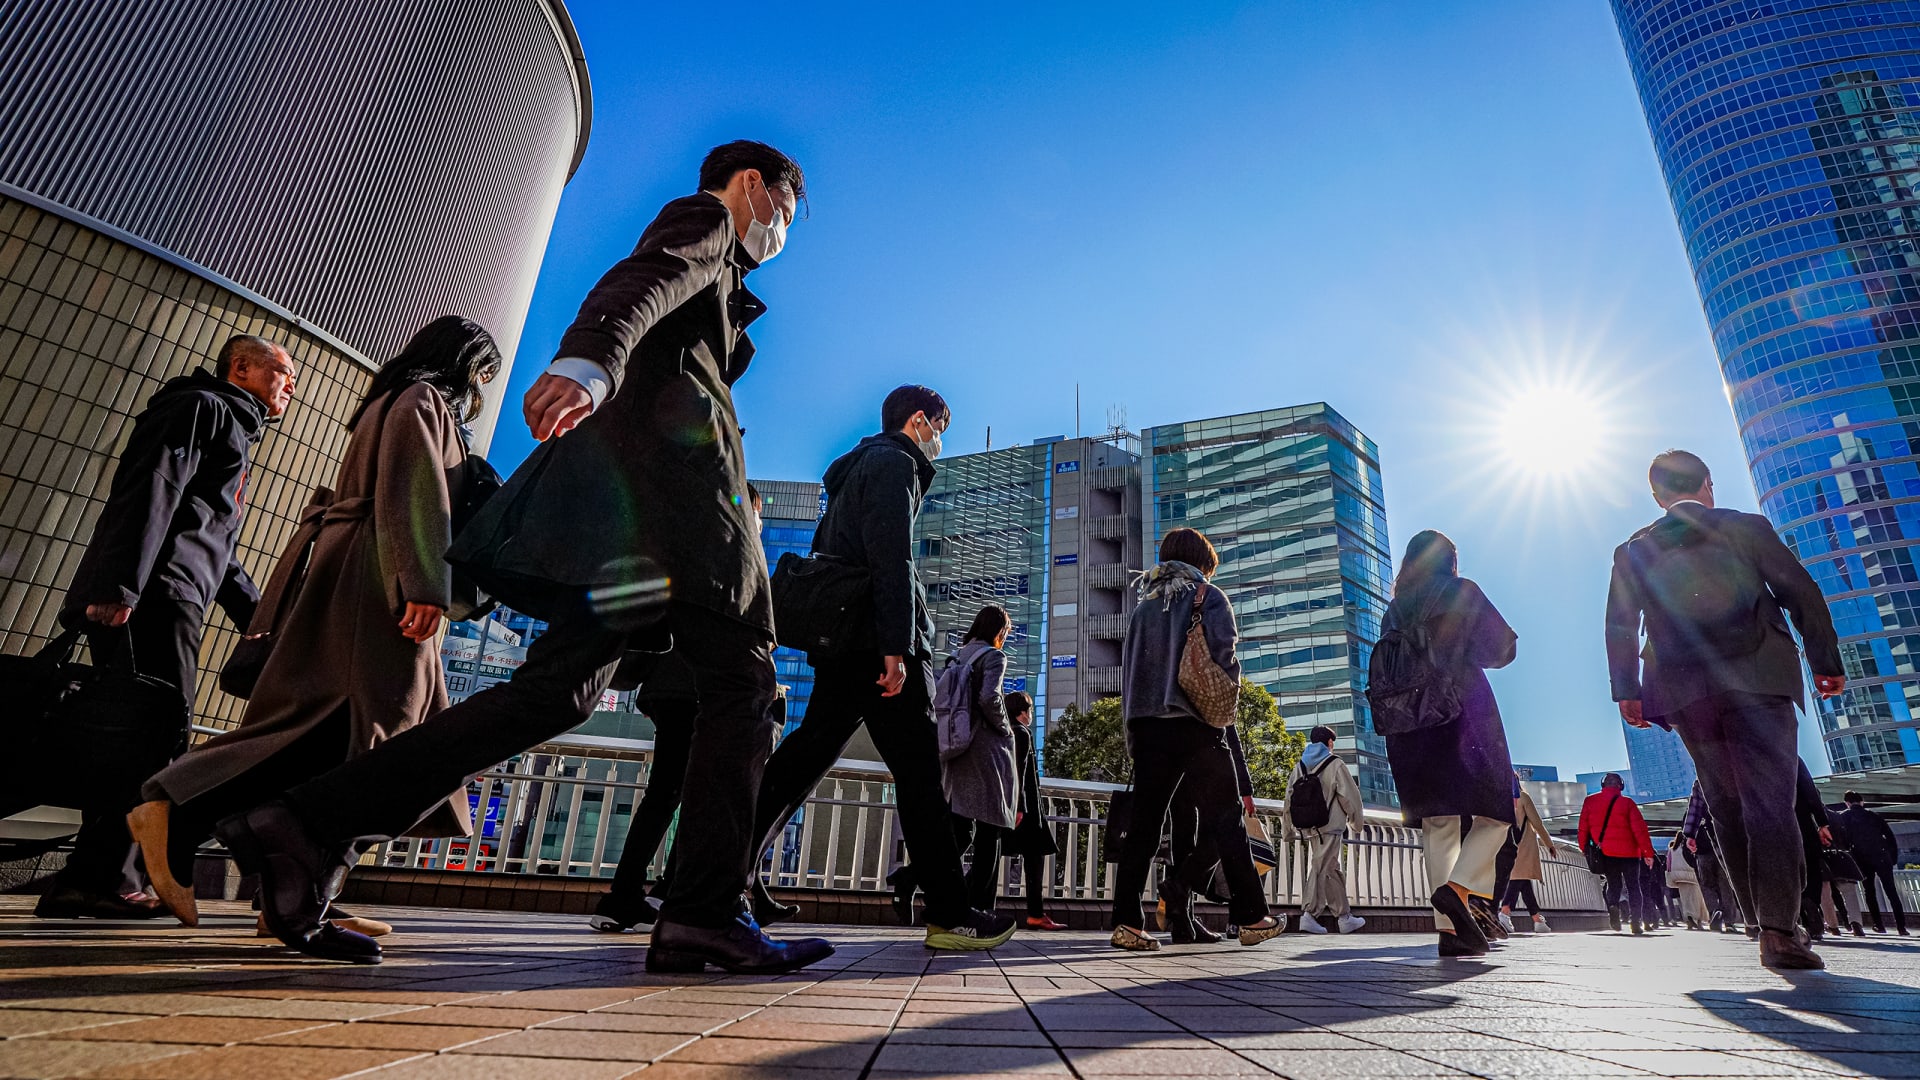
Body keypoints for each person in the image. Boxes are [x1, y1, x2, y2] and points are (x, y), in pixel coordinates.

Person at [211, 141, 836, 973]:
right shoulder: (710, 219)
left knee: (555, 694)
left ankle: (305, 821)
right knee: (746, 683)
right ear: (753, 186)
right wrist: (588, 363)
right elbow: (641, 281)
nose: (783, 234)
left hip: (625, 536)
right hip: (679, 518)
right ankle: (702, 914)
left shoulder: (725, 275)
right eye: (787, 214)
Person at [127, 319, 496, 937]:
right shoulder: (422, 401)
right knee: (357, 732)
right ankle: (180, 809)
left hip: (366, 571)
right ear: (463, 363)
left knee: (341, 733)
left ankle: (295, 887)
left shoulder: (388, 401)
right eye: (482, 369)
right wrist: (425, 586)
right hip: (377, 581)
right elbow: (416, 490)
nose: (483, 383)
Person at [35, 336, 297, 920]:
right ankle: (100, 879)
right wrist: (117, 588)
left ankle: (95, 877)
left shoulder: (231, 426)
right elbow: (151, 487)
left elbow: (216, 547)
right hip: (151, 597)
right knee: (148, 738)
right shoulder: (199, 407)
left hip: (170, 595)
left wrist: (262, 620)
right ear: (242, 368)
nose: (291, 386)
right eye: (281, 372)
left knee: (141, 740)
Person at [750, 386, 1017, 953]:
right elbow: (891, 559)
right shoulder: (895, 464)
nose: (940, 442)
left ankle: (715, 877)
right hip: (876, 644)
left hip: (845, 638)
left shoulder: (852, 471)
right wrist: (896, 646)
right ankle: (950, 912)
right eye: (940, 428)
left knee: (804, 756)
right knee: (919, 773)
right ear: (919, 422)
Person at [1606, 449, 1844, 970]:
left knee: (1726, 803)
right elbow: (1800, 591)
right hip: (1757, 677)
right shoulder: (1744, 528)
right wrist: (1826, 660)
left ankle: (1759, 918)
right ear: (1708, 485)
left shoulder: (1634, 551)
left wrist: (1627, 689)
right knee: (1770, 805)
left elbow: (1621, 624)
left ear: (1658, 497)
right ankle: (1780, 930)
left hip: (1685, 690)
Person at [589, 484, 769, 934]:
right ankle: (660, 894)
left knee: (668, 792)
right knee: (691, 792)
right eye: (758, 514)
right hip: (698, 688)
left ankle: (631, 894)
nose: (760, 523)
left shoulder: (690, 539)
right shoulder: (732, 547)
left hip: (668, 687)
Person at [1109, 528, 1282, 952]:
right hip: (1195, 724)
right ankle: (1252, 917)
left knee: (1146, 827)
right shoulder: (1208, 596)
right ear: (1202, 562)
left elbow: (1129, 676)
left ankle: (1127, 922)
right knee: (1226, 820)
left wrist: (1134, 731)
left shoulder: (1143, 607)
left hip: (1148, 726)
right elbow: (1224, 659)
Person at [1379, 530, 1519, 959]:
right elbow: (1500, 650)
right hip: (1464, 713)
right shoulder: (1461, 591)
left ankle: (1450, 930)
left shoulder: (1394, 608)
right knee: (1496, 813)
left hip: (1409, 723)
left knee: (1438, 825)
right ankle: (1457, 892)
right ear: (1449, 561)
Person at [939, 605, 1019, 913]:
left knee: (960, 827)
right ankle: (981, 905)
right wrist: (1005, 728)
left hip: (957, 745)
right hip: (984, 749)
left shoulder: (957, 656)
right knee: (991, 827)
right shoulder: (994, 657)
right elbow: (989, 697)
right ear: (999, 632)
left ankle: (916, 878)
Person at [1286, 725, 1365, 935]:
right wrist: (1357, 822)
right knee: (1321, 866)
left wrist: (1288, 830)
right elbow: (1350, 796)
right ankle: (1310, 915)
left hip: (1309, 825)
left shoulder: (1300, 766)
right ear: (1329, 743)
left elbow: (1288, 799)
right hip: (1330, 825)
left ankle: (1344, 917)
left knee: (1330, 867)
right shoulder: (1335, 763)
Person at [1002, 691, 1065, 930]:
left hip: (1019, 807)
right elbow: (1019, 770)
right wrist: (1019, 807)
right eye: (1029, 709)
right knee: (1032, 859)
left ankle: (1036, 913)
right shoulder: (1021, 733)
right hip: (1025, 810)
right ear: (1021, 712)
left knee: (1021, 856)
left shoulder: (1009, 732)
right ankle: (1035, 914)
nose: (1031, 714)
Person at [1578, 774, 1655, 934]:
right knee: (1634, 886)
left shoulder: (1590, 801)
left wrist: (1583, 847)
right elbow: (1640, 830)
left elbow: (1583, 827)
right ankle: (1636, 922)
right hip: (1630, 853)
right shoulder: (1627, 803)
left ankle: (1613, 907)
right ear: (1621, 786)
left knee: (1613, 884)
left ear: (1602, 785)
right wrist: (1647, 852)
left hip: (1607, 852)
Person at [1834, 791, 1908, 935]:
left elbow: (1843, 840)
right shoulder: (1873, 815)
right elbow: (1890, 837)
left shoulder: (1843, 817)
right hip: (1881, 856)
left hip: (1861, 859)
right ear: (1862, 802)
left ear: (1847, 803)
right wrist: (1892, 858)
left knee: (1869, 892)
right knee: (1891, 891)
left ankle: (1879, 925)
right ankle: (1901, 927)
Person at [1501, 774, 1558, 933]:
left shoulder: (1499, 798)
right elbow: (1537, 823)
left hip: (1505, 844)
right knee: (1519, 878)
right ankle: (1505, 911)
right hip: (1524, 846)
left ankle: (1537, 919)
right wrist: (1549, 844)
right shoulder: (1523, 797)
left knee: (1522, 880)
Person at [1681, 780, 1737, 933]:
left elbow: (1690, 825)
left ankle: (1714, 911)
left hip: (1702, 853)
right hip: (1723, 847)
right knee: (1726, 885)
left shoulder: (1701, 784)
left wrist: (1690, 839)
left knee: (1707, 885)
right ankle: (1730, 921)